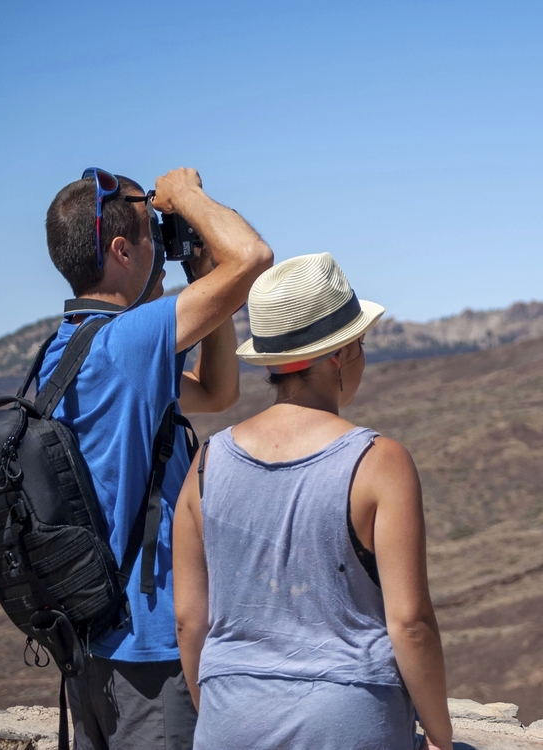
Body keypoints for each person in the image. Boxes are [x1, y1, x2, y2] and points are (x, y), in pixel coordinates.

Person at [172, 253, 454, 750]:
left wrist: (224, 714)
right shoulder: (379, 462)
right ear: (338, 356)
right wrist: (440, 737)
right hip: (348, 722)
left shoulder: (206, 464)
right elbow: (410, 623)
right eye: (360, 344)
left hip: (228, 720)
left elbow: (190, 622)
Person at [41, 167, 273, 749]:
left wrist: (205, 276)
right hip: (147, 653)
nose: (161, 256)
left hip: (91, 646)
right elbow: (253, 257)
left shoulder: (65, 351)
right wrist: (189, 198)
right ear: (121, 250)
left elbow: (217, 393)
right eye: (152, 235)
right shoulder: (127, 342)